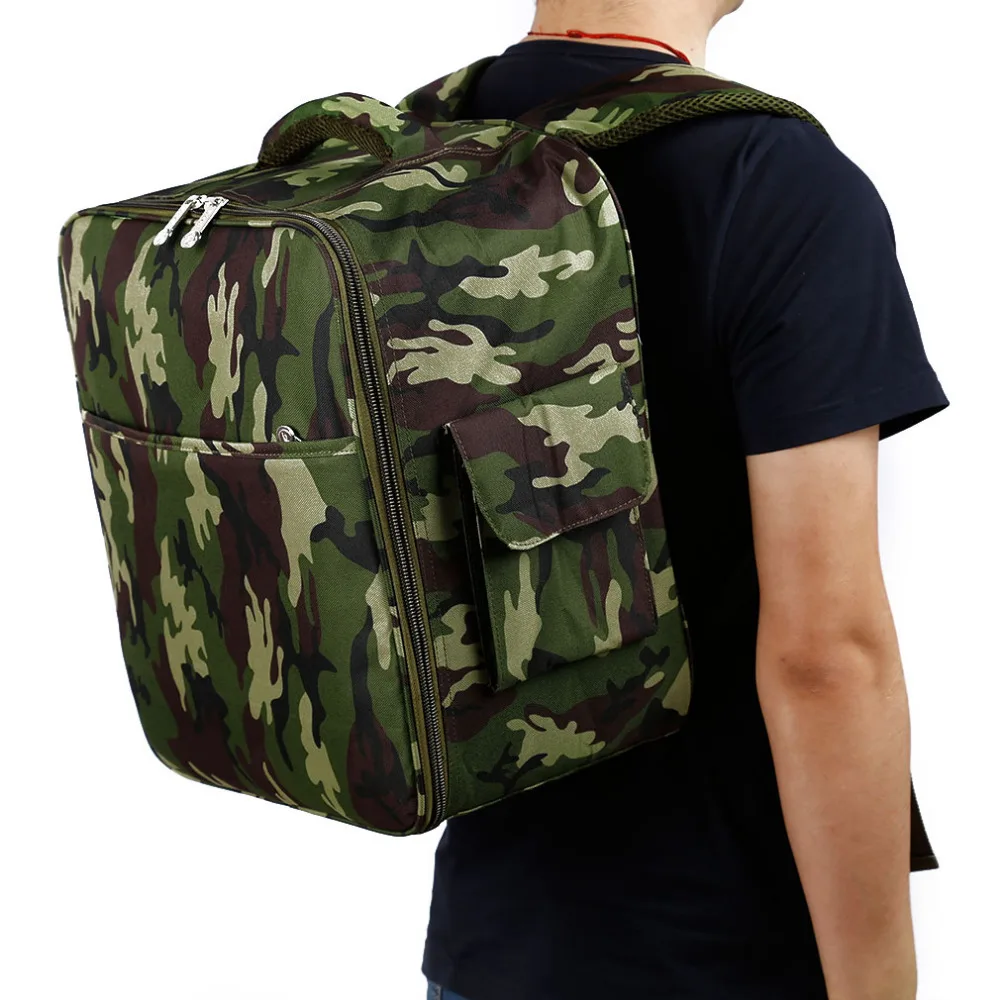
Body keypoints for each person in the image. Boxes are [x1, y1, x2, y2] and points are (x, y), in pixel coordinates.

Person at [421, 2, 948, 998]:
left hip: (488, 944)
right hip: (718, 949)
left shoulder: (424, 146)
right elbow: (823, 657)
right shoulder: (772, 179)